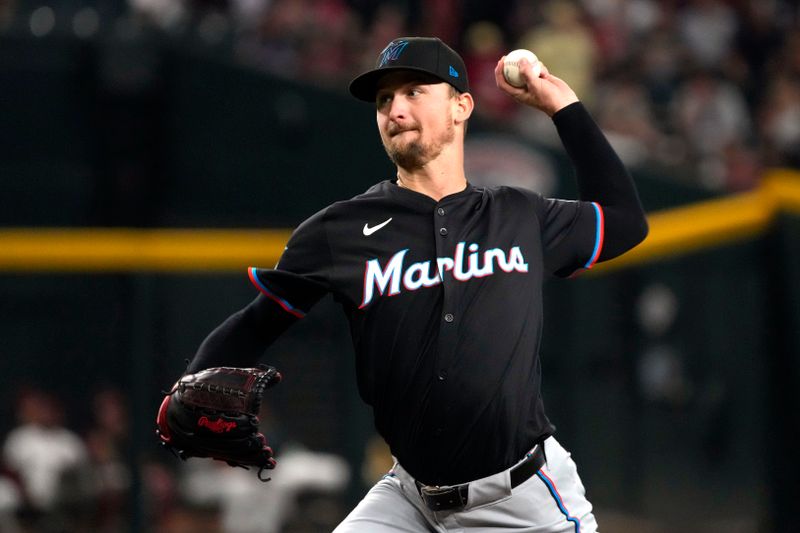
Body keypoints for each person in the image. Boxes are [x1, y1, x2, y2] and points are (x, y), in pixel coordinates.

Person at [171, 36, 648, 532]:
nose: (395, 109)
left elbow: (625, 221)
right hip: (409, 499)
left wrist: (563, 108)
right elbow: (258, 322)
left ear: (462, 106)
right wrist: (186, 388)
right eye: (384, 100)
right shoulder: (337, 232)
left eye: (415, 91)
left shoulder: (519, 215)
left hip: (522, 504)